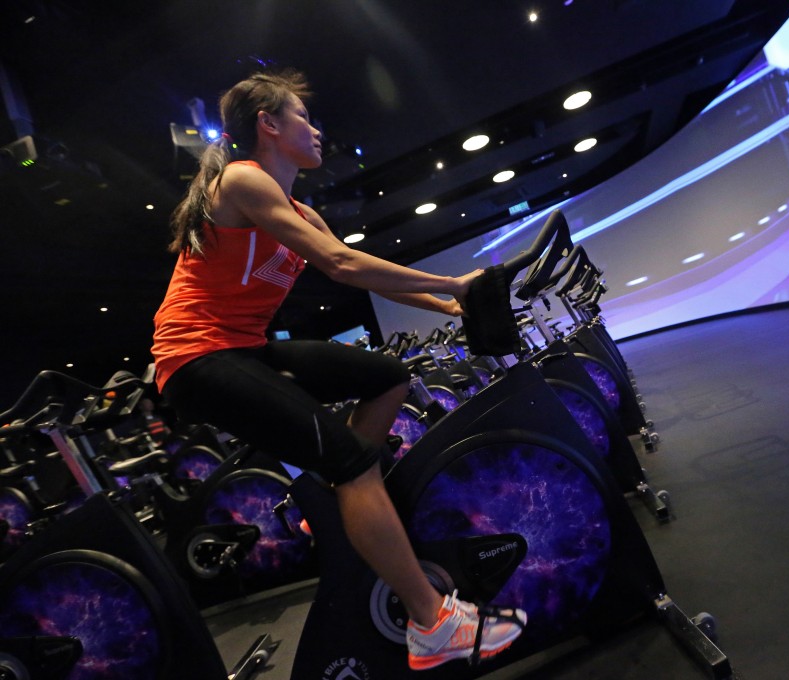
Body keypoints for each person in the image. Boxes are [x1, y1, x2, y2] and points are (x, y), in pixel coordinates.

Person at [150, 68, 525, 671]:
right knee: (352, 461)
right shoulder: (243, 181)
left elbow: (358, 264)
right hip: (196, 359)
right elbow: (338, 264)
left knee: (386, 376)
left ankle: (332, 500)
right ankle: (433, 625)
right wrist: (454, 280)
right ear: (268, 126)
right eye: (304, 117)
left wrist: (451, 304)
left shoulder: (298, 208)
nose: (317, 130)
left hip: (244, 346)